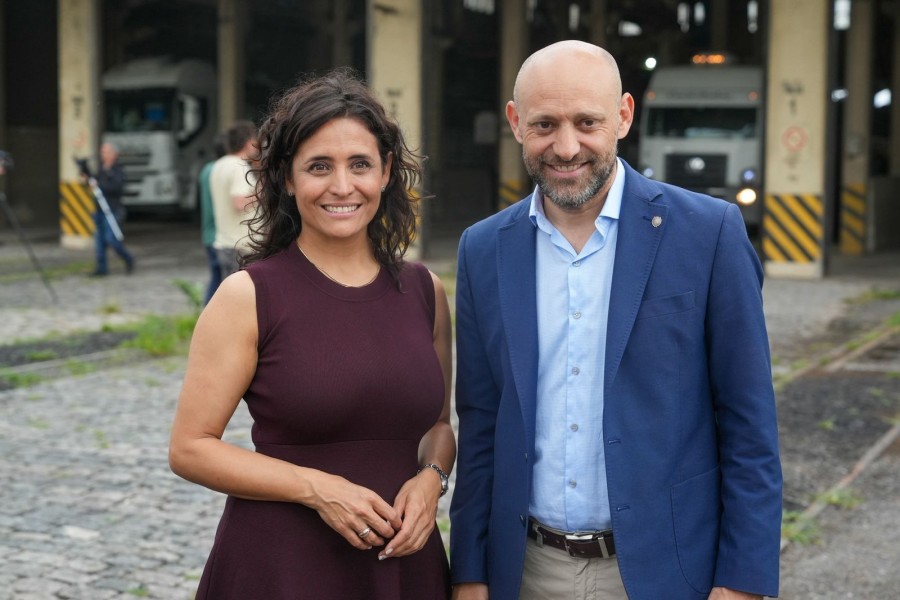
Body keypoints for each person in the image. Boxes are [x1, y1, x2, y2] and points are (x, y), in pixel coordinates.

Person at [449, 40, 782, 600]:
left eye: (587, 122)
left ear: (624, 115)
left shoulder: (709, 234)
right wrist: (471, 574)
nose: (566, 145)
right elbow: (481, 424)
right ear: (515, 123)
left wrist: (741, 584)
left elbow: (749, 426)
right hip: (527, 572)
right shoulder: (483, 250)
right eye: (545, 124)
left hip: (669, 571)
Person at [169, 68, 456, 599]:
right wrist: (316, 488)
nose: (342, 186)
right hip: (281, 567)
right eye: (319, 166)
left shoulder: (424, 290)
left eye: (360, 164)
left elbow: (437, 425)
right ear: (285, 177)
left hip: (402, 565)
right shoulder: (249, 296)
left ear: (387, 171)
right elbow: (190, 448)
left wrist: (432, 479)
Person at [210, 120, 258, 276]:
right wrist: (263, 192)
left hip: (225, 242)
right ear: (248, 142)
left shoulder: (219, 164)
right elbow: (240, 203)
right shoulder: (239, 167)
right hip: (242, 245)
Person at [86, 142, 134, 276]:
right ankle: (101, 268)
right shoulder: (101, 169)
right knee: (99, 241)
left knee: (111, 239)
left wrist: (100, 185)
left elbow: (117, 188)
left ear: (114, 154)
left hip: (113, 210)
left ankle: (128, 258)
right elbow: (93, 182)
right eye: (102, 152)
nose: (103, 155)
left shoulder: (118, 170)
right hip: (100, 210)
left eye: (106, 152)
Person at [198, 135, 227, 305]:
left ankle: (206, 311)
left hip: (208, 232)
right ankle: (208, 312)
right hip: (219, 233)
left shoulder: (207, 169)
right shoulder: (222, 170)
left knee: (216, 275)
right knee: (219, 278)